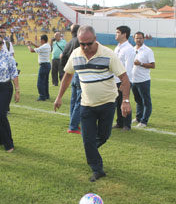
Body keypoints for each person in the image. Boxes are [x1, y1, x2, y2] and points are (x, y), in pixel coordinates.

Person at [54, 25, 131, 182]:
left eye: (89, 43)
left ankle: (91, 152)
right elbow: (68, 76)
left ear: (95, 40)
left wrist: (125, 100)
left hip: (107, 103)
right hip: (86, 105)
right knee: (87, 140)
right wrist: (59, 97)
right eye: (82, 44)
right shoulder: (75, 55)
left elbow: (124, 78)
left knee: (104, 135)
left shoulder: (108, 55)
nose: (86, 47)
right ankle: (97, 169)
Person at [131, 31, 155, 128]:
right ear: (134, 39)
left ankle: (144, 121)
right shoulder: (132, 49)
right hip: (133, 79)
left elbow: (153, 65)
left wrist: (141, 63)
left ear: (143, 39)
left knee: (146, 101)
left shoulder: (148, 51)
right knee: (138, 100)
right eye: (137, 38)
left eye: (140, 38)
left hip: (143, 80)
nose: (138, 40)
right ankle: (138, 117)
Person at [113, 26, 135, 131]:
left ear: (124, 34)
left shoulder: (129, 49)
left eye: (118, 32)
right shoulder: (118, 47)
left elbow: (129, 67)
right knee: (117, 102)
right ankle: (120, 122)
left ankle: (127, 124)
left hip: (123, 80)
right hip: (115, 80)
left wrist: (125, 82)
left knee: (125, 101)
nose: (116, 34)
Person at [60, 24, 81, 134]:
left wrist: (66, 69)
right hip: (79, 73)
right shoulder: (79, 41)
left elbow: (63, 57)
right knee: (79, 101)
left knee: (74, 100)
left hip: (72, 73)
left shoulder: (69, 42)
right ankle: (73, 126)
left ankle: (74, 123)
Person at [28, 35, 52, 101]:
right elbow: (39, 47)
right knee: (45, 82)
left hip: (44, 65)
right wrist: (32, 43)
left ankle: (42, 96)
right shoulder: (47, 45)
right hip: (47, 65)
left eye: (40, 39)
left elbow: (32, 50)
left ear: (43, 40)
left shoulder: (44, 46)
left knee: (40, 82)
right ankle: (46, 95)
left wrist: (29, 45)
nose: (39, 40)